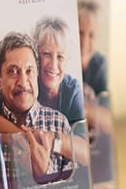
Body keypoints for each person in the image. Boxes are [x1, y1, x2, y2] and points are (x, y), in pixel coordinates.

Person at [0, 31, 74, 184]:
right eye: (13, 72)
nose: (23, 82)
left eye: (29, 71)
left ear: (37, 75)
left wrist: (45, 172)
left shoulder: (59, 123)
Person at [32, 16, 90, 166]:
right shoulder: (28, 83)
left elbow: (85, 153)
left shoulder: (72, 90)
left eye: (60, 57)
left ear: (68, 60)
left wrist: (52, 141)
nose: (53, 64)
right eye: (46, 54)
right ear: (36, 56)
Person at [78, 0, 113, 135]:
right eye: (80, 33)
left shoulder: (99, 64)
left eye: (91, 35)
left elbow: (107, 122)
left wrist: (84, 109)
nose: (85, 42)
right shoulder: (59, 63)